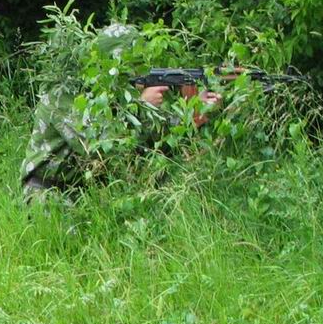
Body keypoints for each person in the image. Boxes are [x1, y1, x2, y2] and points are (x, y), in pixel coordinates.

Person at [21, 24, 222, 200]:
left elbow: (154, 145)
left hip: (87, 193)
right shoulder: (64, 95)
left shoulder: (118, 93)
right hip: (47, 192)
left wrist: (193, 111)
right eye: (127, 67)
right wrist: (142, 106)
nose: (136, 74)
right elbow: (101, 148)